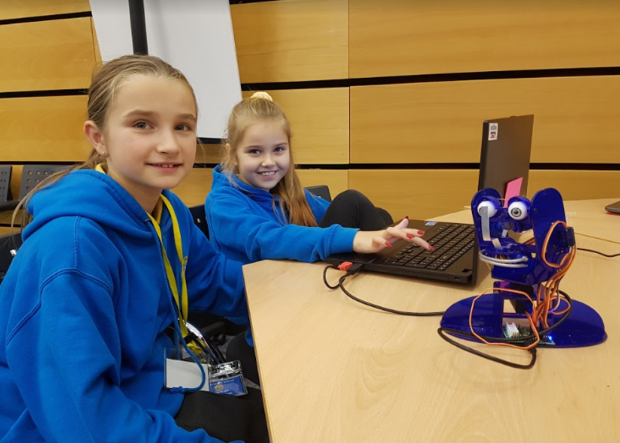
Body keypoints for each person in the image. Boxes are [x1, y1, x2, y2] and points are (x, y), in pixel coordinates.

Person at [0, 55, 267, 443]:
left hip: (156, 379)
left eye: (183, 126)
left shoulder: (166, 209)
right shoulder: (71, 251)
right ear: (98, 137)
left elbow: (211, 279)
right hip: (68, 425)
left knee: (262, 400)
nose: (169, 144)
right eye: (142, 124)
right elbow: (87, 422)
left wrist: (294, 291)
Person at [204, 92, 433, 383]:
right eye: (254, 152)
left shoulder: (285, 191)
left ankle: (401, 291)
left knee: (369, 211)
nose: (268, 162)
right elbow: (267, 239)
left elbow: (334, 217)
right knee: (352, 203)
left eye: (278, 149)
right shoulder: (223, 202)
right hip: (260, 304)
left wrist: (375, 232)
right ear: (231, 152)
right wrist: (355, 239)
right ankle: (398, 299)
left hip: (294, 284)